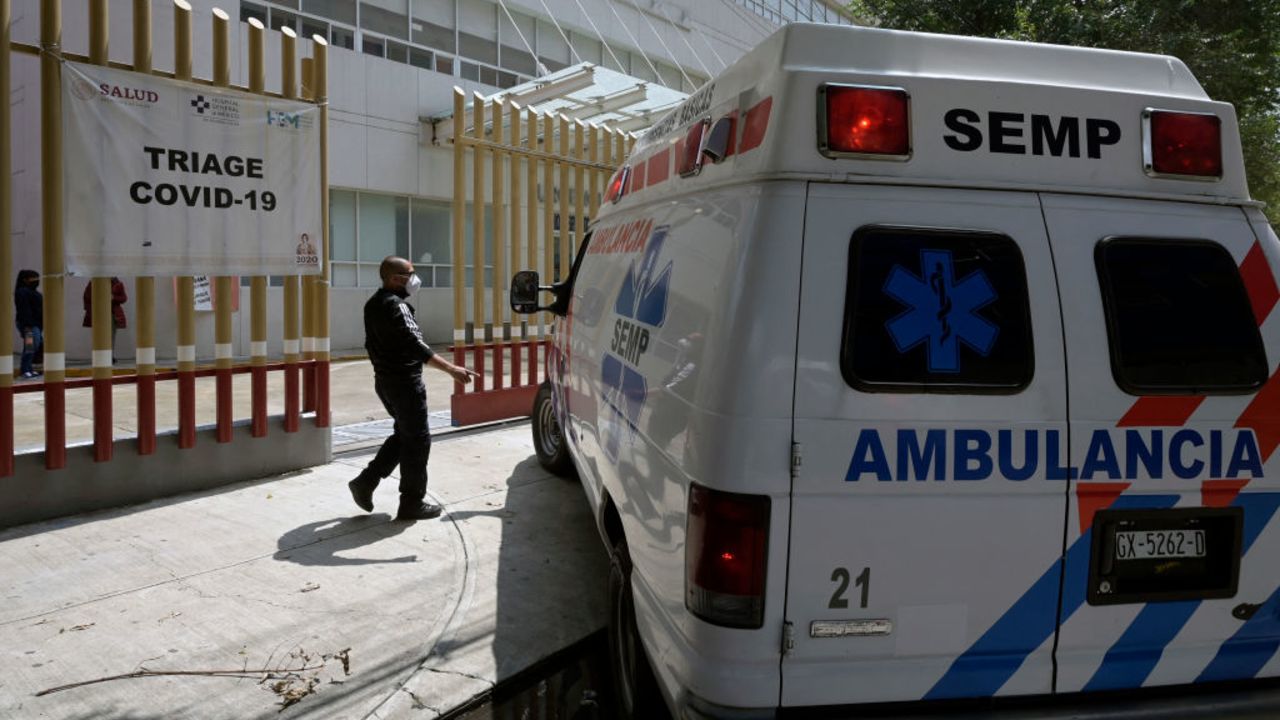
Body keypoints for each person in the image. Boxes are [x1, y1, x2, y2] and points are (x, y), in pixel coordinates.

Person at [348, 256, 478, 521]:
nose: (415, 278)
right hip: (404, 384)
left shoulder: (373, 304)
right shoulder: (397, 306)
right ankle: (411, 502)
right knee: (418, 440)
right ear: (396, 279)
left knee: (405, 435)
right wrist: (452, 369)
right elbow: (415, 345)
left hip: (384, 381)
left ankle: (366, 481)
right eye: (411, 273)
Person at [82, 276, 128, 363]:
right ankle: (100, 355)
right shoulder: (94, 281)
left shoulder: (116, 282)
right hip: (98, 313)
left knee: (110, 336)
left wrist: (113, 297)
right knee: (98, 335)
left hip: (111, 313)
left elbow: (124, 298)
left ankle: (109, 356)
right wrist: (91, 310)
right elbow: (86, 297)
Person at [15, 270, 42, 379]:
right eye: (33, 278)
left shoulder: (34, 292)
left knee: (32, 346)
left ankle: (28, 368)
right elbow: (24, 310)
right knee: (31, 346)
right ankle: (25, 370)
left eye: (37, 277)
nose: (36, 280)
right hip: (29, 324)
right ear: (25, 280)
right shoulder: (22, 292)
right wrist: (28, 324)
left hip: (36, 325)